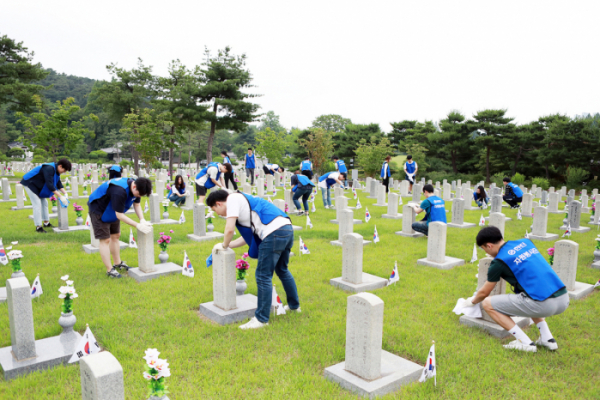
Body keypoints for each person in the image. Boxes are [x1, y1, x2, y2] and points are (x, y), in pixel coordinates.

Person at [459, 226, 568, 352]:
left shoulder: (499, 261)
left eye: (484, 249)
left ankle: (525, 343)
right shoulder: (525, 243)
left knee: (487, 303)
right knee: (530, 294)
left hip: (544, 304)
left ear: (489, 245)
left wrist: (471, 302)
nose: (486, 253)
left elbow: (484, 292)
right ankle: (548, 339)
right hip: (563, 298)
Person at [206, 190, 300, 329]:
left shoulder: (232, 199)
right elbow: (247, 236)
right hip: (286, 228)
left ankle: (261, 319)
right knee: (282, 270)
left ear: (218, 203)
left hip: (272, 233)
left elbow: (229, 230)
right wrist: (229, 245)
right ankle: (294, 306)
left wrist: (223, 245)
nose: (221, 215)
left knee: (263, 275)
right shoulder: (244, 201)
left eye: (218, 211)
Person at [88, 177, 153, 278]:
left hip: (112, 207)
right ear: (134, 186)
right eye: (139, 194)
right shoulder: (119, 191)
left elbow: (137, 205)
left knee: (116, 235)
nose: (139, 196)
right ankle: (110, 270)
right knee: (105, 239)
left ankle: (118, 264)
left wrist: (142, 219)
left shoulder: (138, 186)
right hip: (99, 208)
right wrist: (137, 225)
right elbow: (120, 215)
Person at [20, 158, 72, 233]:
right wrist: (60, 196)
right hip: (29, 183)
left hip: (38, 185)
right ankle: (38, 227)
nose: (64, 172)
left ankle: (46, 223)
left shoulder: (56, 171)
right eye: (64, 170)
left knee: (45, 203)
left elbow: (58, 183)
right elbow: (50, 185)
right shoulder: (49, 168)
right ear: (60, 166)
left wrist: (65, 193)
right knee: (37, 204)